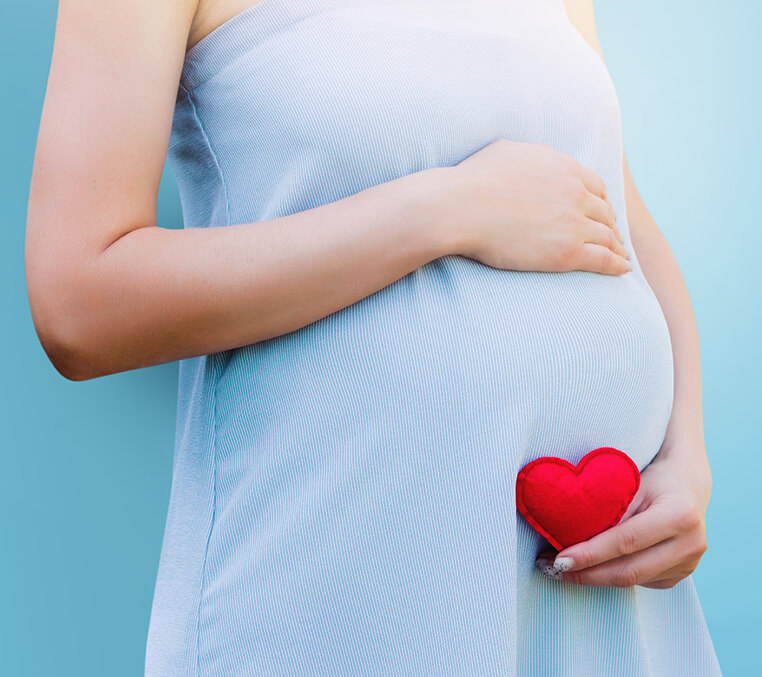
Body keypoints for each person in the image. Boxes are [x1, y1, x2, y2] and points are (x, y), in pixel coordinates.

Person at [25, 0, 722, 674]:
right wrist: (447, 208)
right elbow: (81, 302)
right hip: (345, 581)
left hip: (596, 593)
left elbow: (614, 208)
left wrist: (686, 449)